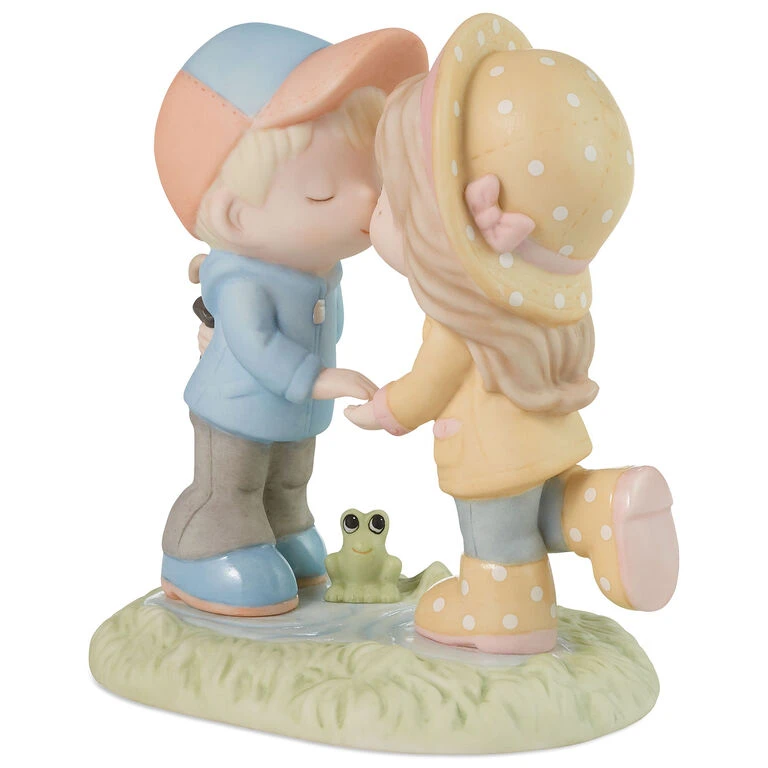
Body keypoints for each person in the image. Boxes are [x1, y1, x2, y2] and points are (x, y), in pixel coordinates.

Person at [346, 14, 678, 653]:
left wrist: (382, 410)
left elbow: (427, 386)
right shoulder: (529, 312)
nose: (375, 206)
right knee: (544, 507)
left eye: (393, 193)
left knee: (497, 536)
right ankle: (601, 504)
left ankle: (503, 611)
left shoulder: (459, 320)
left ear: (440, 227)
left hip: (490, 457)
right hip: (545, 440)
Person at [154, 22, 428, 616]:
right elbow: (255, 344)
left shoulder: (320, 271)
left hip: (296, 411)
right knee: (231, 484)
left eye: (372, 178)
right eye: (324, 192)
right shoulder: (242, 280)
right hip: (238, 409)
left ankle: (280, 530)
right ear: (236, 216)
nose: (369, 201)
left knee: (288, 481)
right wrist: (320, 378)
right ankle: (205, 550)